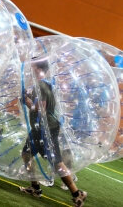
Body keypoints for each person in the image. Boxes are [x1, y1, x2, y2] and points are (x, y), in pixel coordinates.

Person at [19, 57, 87, 207]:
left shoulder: (42, 86)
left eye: (33, 66)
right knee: (27, 154)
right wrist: (29, 97)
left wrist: (27, 102)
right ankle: (35, 187)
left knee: (56, 162)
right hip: (43, 127)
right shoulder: (45, 84)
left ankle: (77, 193)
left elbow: (41, 109)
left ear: (38, 68)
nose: (30, 68)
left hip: (46, 128)